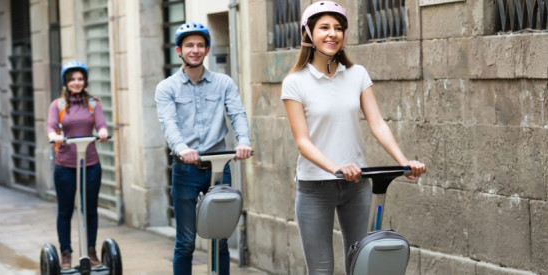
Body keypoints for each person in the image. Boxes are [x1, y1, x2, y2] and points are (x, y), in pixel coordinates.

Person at [280, 2, 426, 274]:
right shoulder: (295, 82)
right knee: (321, 269)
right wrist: (335, 167)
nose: (332, 34)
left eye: (338, 28)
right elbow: (303, 141)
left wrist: (404, 162)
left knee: (362, 266)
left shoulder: (357, 74)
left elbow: (377, 123)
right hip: (315, 187)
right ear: (309, 33)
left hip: (357, 184)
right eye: (324, 27)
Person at [155, 22, 253, 275]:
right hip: (186, 170)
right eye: (189, 45)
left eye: (200, 45)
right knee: (186, 242)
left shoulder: (223, 83)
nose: (195, 50)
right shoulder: (167, 88)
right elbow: (169, 123)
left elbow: (238, 114)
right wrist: (181, 148)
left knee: (220, 240)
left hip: (219, 168)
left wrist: (243, 141)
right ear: (179, 50)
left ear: (207, 49)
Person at [47, 60, 109, 269]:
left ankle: (91, 252)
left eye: (80, 79)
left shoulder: (93, 104)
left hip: (90, 164)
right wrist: (54, 136)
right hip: (65, 165)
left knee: (90, 209)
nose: (76, 82)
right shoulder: (58, 105)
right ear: (66, 81)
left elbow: (101, 125)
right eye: (72, 79)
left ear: (85, 81)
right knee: (65, 211)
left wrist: (102, 132)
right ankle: (66, 254)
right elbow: (51, 127)